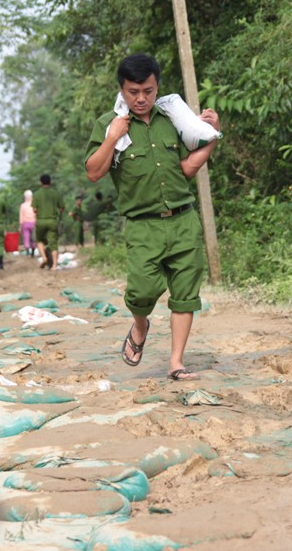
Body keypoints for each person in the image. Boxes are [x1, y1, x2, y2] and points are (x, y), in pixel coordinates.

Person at [85, 53, 220, 381]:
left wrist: (211, 135)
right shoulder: (110, 123)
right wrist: (113, 136)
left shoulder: (173, 118)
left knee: (186, 292)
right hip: (143, 226)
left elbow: (187, 168)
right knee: (142, 292)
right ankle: (141, 325)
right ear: (122, 90)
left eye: (148, 90)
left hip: (183, 219)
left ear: (157, 87)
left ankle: (176, 362)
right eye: (134, 91)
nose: (141, 98)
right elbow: (93, 172)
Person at [32, 173, 65, 270]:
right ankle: (54, 265)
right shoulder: (55, 193)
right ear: (50, 182)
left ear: (41, 183)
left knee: (39, 240)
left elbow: (34, 209)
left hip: (41, 221)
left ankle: (44, 257)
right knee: (53, 243)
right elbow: (62, 208)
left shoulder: (37, 194)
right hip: (52, 221)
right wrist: (56, 214)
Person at [19, 189, 36, 257]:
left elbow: (21, 216)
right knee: (33, 238)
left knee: (26, 238)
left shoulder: (22, 205)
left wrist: (20, 226)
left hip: (25, 223)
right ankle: (33, 252)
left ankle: (28, 252)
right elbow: (36, 214)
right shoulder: (34, 204)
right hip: (33, 223)